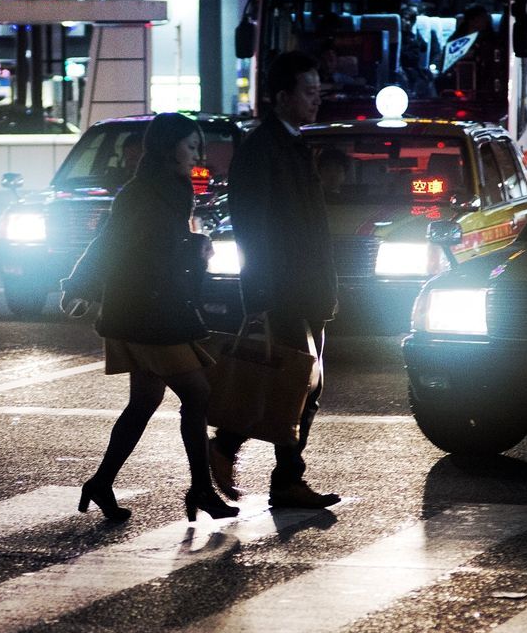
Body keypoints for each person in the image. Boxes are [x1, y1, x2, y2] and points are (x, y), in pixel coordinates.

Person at [61, 113, 238, 523]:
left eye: (198, 148)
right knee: (196, 395)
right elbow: (113, 241)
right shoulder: (144, 192)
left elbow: (159, 243)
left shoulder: (168, 188)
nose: (196, 156)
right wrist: (79, 285)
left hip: (147, 306)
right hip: (147, 309)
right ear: (167, 147)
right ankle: (201, 491)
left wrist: (194, 243)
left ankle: (102, 482)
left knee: (144, 400)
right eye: (190, 147)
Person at [209, 51, 341, 510]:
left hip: (307, 290)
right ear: (282, 97)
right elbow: (253, 228)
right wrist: (261, 297)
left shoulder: (293, 143)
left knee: (302, 384)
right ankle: (283, 477)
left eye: (318, 92)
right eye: (308, 92)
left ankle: (229, 448)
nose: (316, 101)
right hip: (283, 291)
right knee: (293, 383)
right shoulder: (262, 150)